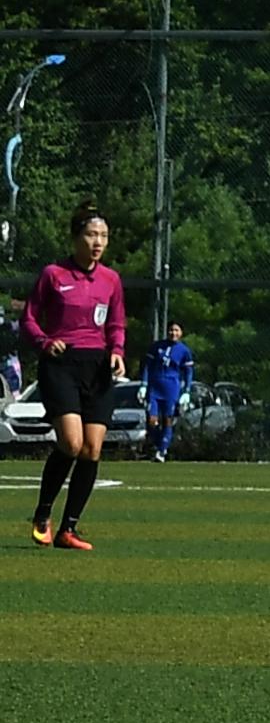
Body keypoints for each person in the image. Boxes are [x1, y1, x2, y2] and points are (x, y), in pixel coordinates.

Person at [23, 207, 124, 550]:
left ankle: (69, 529)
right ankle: (42, 513)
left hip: (97, 368)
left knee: (92, 448)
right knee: (71, 442)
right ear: (76, 237)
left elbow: (116, 323)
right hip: (62, 364)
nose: (98, 243)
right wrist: (45, 342)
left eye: (104, 236)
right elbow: (30, 319)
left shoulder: (111, 280)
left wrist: (118, 351)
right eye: (92, 235)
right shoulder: (53, 274)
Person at [141, 321, 196, 463]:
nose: (174, 333)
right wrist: (143, 385)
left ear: (181, 333)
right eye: (171, 330)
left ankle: (162, 451)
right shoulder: (156, 347)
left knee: (168, 420)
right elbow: (147, 367)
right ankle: (160, 442)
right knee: (152, 421)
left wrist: (187, 391)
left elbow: (188, 372)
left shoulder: (184, 351)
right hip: (155, 388)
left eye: (177, 330)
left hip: (172, 388)